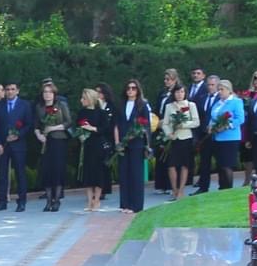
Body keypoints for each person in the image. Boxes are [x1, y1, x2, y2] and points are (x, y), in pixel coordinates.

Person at [0, 80, 32, 211]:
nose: (10, 92)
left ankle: (21, 201)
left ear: (17, 91)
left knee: (20, 173)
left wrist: (18, 135)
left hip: (18, 145)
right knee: (2, 174)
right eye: (7, 89)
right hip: (3, 145)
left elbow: (29, 124)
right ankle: (2, 202)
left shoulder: (25, 105)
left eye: (12, 89)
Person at [32, 83, 74, 211]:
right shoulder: (39, 107)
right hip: (45, 142)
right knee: (47, 170)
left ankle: (57, 199)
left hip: (59, 140)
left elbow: (68, 122)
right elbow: (36, 125)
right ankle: (49, 200)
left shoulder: (61, 105)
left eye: (50, 92)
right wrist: (39, 135)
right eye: (45, 92)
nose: (47, 94)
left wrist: (53, 128)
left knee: (57, 169)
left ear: (54, 94)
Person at [114, 79, 154, 212]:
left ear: (138, 90)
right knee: (124, 174)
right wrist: (117, 142)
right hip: (123, 144)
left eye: (133, 88)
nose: (130, 90)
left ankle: (135, 205)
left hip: (137, 144)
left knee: (136, 175)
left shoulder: (142, 105)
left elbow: (146, 126)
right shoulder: (121, 105)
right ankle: (125, 204)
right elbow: (116, 125)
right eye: (128, 88)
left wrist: (147, 144)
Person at [76, 87, 115, 212]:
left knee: (98, 174)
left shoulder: (101, 113)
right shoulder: (82, 112)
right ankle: (89, 201)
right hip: (87, 145)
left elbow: (106, 129)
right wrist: (81, 135)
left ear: (90, 99)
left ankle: (97, 200)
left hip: (98, 145)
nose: (81, 100)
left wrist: (92, 128)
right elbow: (77, 126)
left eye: (84, 98)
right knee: (88, 174)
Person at [160, 79, 198, 198]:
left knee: (184, 165)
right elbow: (165, 123)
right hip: (173, 139)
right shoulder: (169, 106)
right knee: (171, 165)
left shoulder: (191, 105)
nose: (179, 94)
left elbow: (196, 122)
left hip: (186, 138)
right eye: (177, 92)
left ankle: (181, 190)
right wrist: (168, 133)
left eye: (182, 92)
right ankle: (174, 189)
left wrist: (183, 124)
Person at [206, 75, 245, 190]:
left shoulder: (236, 102)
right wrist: (210, 126)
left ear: (229, 90)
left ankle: (228, 187)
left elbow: (240, 119)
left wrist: (227, 125)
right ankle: (222, 187)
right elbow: (213, 117)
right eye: (218, 89)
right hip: (218, 137)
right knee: (220, 165)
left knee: (227, 165)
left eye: (222, 89)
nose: (219, 92)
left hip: (230, 138)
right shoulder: (218, 103)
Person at [153, 69, 182, 194]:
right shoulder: (162, 93)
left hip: (171, 126)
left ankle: (172, 185)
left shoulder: (178, 92)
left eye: (168, 79)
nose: (166, 81)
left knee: (171, 157)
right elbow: (157, 108)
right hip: (160, 126)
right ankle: (161, 184)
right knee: (161, 155)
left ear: (175, 80)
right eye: (165, 79)